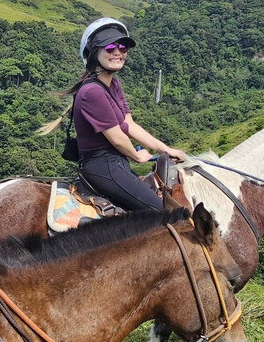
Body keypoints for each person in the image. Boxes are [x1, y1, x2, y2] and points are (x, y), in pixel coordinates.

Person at [70, 17, 187, 211]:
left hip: (116, 163)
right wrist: (136, 156)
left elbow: (129, 124)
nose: (117, 52)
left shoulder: (113, 84)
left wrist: (165, 149)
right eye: (109, 47)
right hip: (103, 165)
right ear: (93, 52)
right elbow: (117, 138)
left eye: (123, 47)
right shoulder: (92, 92)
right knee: (164, 213)